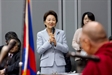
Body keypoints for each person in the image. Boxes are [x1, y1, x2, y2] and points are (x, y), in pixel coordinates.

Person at [37, 10, 69, 74]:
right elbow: (39, 50)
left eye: (53, 20)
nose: (51, 21)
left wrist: (56, 43)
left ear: (56, 22)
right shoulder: (40, 34)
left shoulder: (61, 33)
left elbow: (66, 49)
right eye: (49, 20)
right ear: (45, 22)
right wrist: (48, 42)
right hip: (46, 65)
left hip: (59, 65)